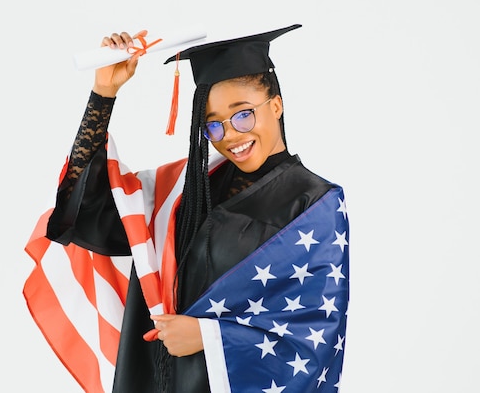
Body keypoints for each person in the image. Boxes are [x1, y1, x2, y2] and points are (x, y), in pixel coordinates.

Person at [26, 24, 350, 392]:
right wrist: (104, 92)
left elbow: (312, 341)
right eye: (212, 125)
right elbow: (88, 208)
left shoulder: (314, 203)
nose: (230, 134)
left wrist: (208, 336)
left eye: (243, 114)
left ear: (276, 105)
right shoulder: (186, 190)